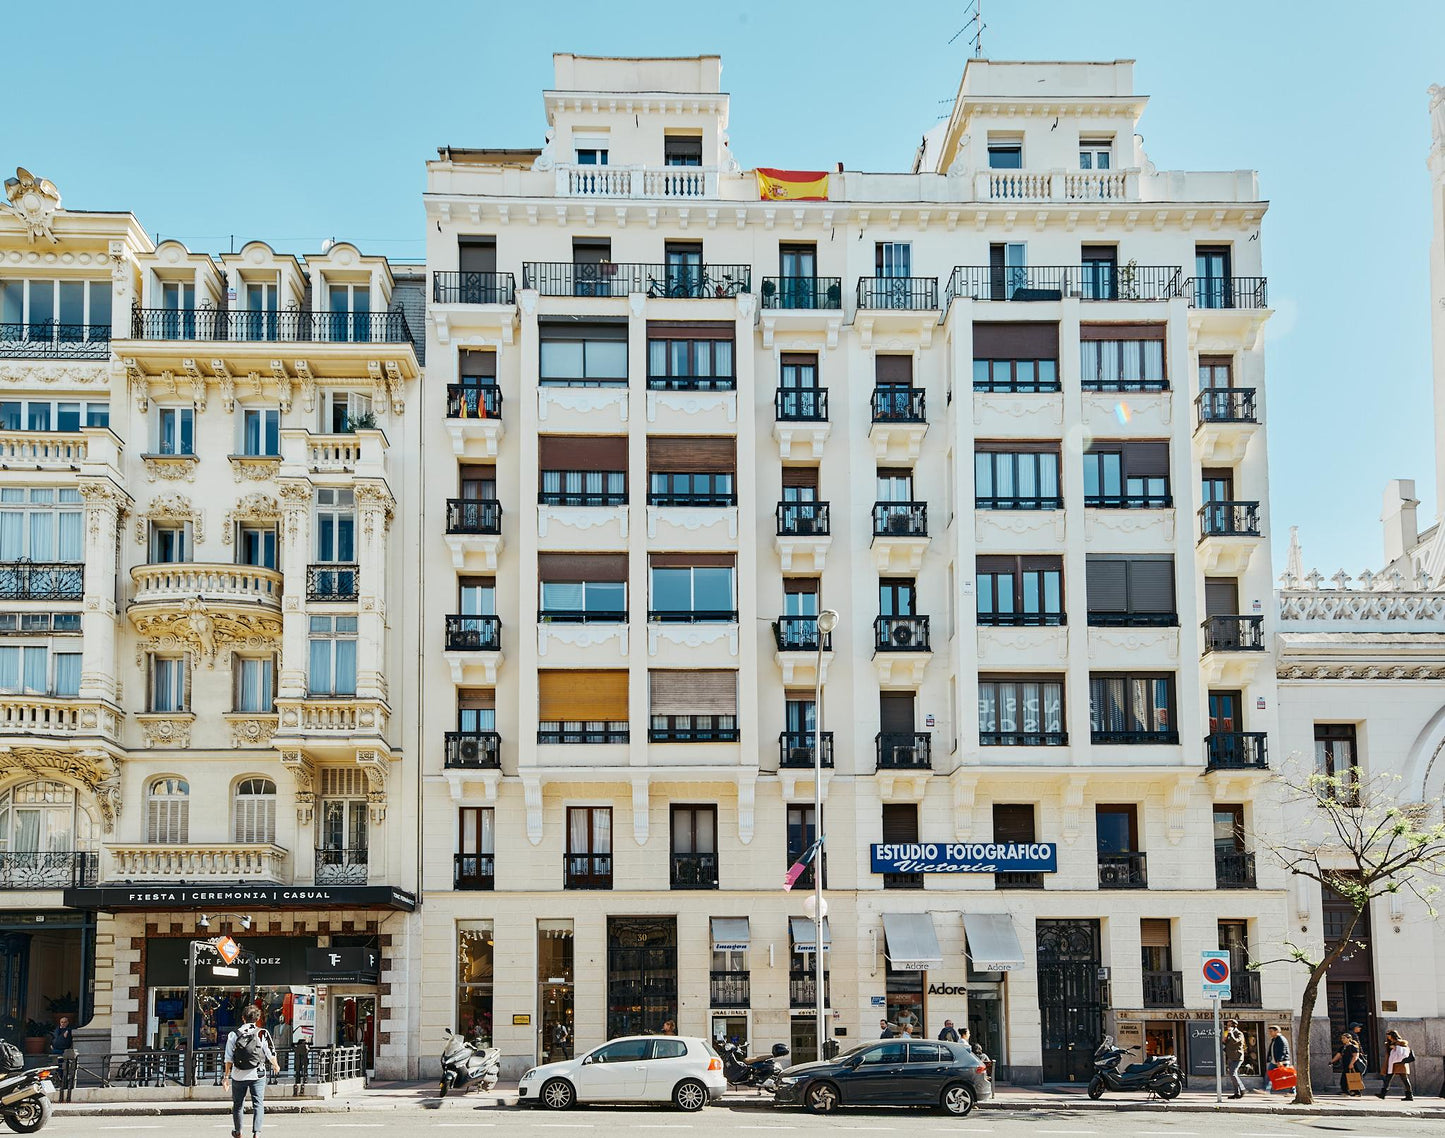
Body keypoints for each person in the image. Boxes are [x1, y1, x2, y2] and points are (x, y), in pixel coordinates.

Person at [223, 1005, 280, 1138]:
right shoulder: (262, 1032)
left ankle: (238, 1131)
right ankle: (256, 1133)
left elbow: (228, 1058)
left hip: (238, 1074)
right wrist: (275, 1065)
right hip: (258, 1074)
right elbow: (270, 1052)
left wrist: (226, 1076)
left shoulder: (233, 1034)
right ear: (258, 1019)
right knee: (258, 1103)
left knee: (238, 1104)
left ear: (243, 1018)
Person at [1377, 1030, 1414, 1101]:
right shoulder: (1390, 1043)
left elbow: (1405, 1051)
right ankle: (1382, 1094)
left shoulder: (1400, 1043)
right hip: (1392, 1064)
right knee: (1388, 1078)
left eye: (1388, 1034)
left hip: (1400, 1064)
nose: (1387, 1036)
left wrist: (1396, 1047)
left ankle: (1409, 1095)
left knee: (1404, 1079)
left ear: (1393, 1035)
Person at [1331, 1031, 1362, 1097]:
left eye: (1344, 1038)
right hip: (1345, 1065)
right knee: (1344, 1079)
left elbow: (1355, 1056)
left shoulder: (1353, 1047)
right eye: (1342, 1038)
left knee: (1353, 1078)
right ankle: (1346, 1091)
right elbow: (1338, 1055)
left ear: (1349, 1039)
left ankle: (1356, 1092)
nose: (1342, 1039)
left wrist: (1351, 1063)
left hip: (1352, 1066)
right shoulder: (1343, 1047)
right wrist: (1332, 1061)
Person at [1221, 1019, 1246, 1099]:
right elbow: (1228, 1044)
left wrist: (1231, 1033)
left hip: (1237, 1057)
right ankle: (1236, 1093)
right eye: (1227, 1025)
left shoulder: (1239, 1033)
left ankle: (1242, 1089)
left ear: (1234, 1025)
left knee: (1233, 1073)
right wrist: (1224, 1041)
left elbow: (1235, 1042)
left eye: (1229, 1025)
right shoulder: (1228, 1034)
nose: (1227, 1027)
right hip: (1231, 1056)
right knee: (1232, 1075)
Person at [1265, 1025, 1291, 1089]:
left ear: (1277, 1031)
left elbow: (1282, 1050)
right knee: (1269, 1075)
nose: (1270, 1033)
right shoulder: (1275, 1039)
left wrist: (1280, 1061)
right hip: (1274, 1061)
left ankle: (1293, 1091)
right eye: (1269, 1031)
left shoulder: (1281, 1039)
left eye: (1271, 1031)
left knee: (1287, 1076)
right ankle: (1265, 1090)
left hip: (1281, 1061)